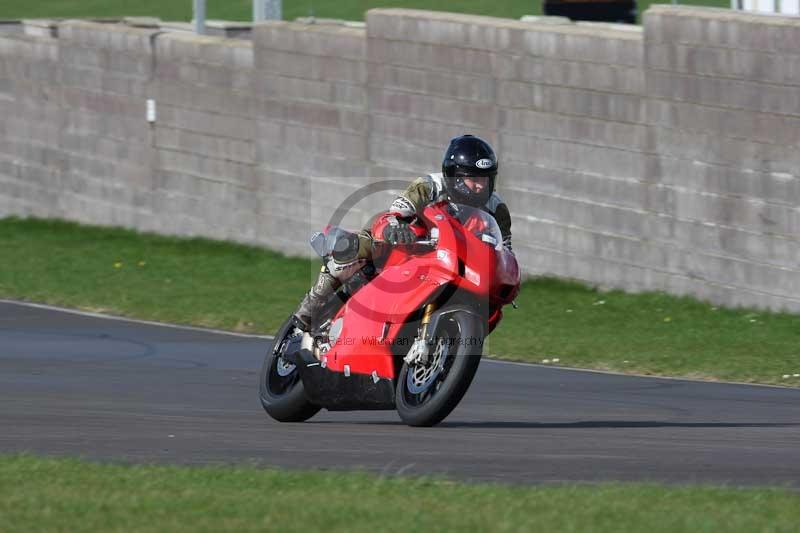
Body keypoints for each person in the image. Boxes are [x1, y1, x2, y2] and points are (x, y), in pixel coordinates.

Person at [293, 134, 513, 332]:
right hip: (412, 242)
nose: (479, 187)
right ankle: (312, 303)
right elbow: (399, 209)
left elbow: (504, 248)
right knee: (362, 245)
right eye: (473, 179)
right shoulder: (429, 186)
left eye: (484, 180)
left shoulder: (497, 208)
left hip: (452, 262)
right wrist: (396, 226)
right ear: (455, 177)